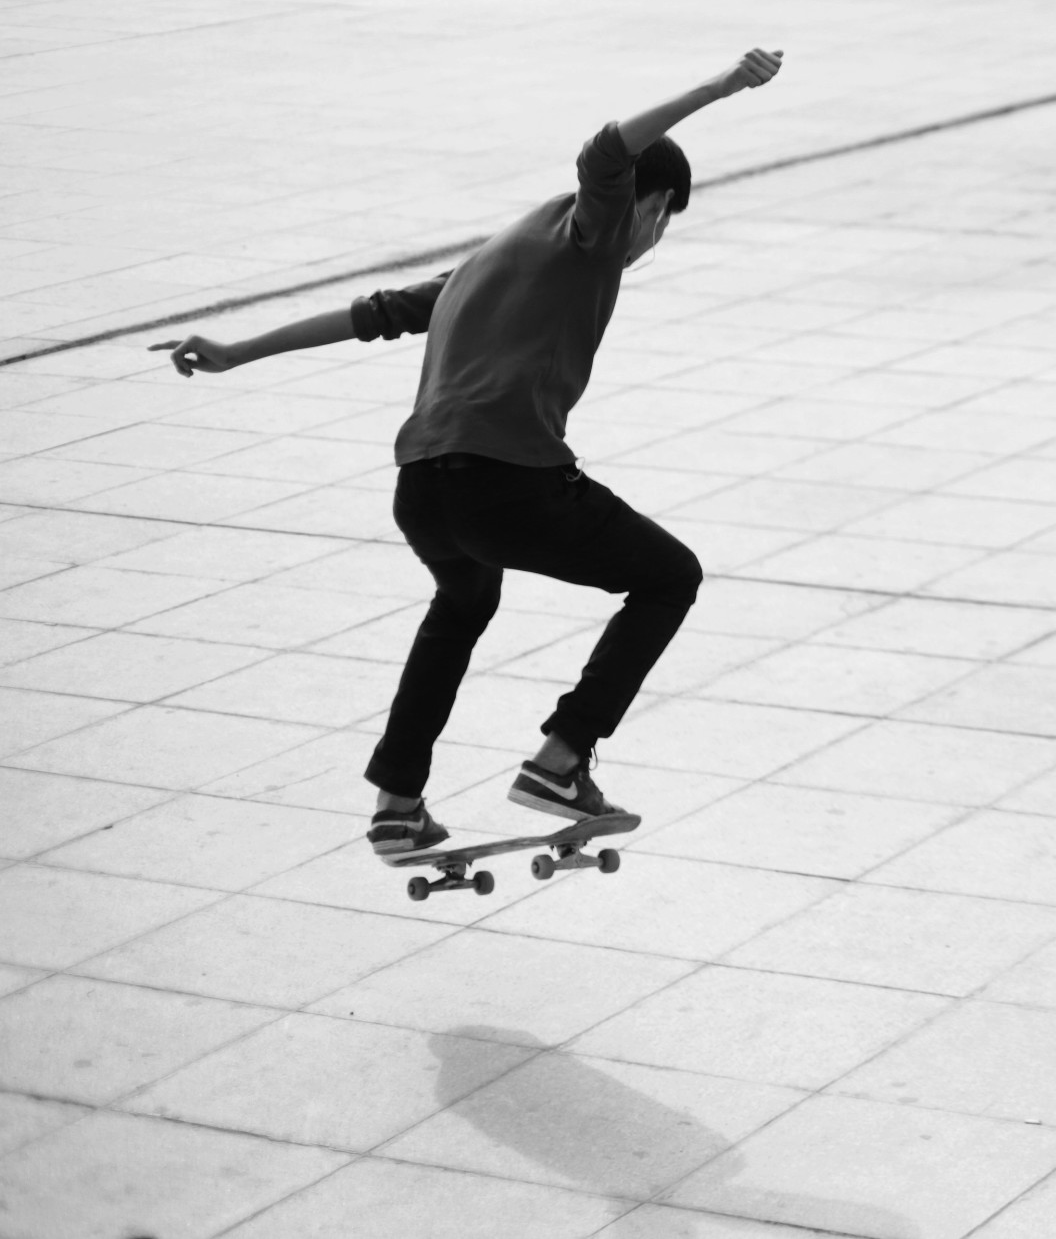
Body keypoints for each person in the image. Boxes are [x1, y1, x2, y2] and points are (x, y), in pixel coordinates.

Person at [151, 50, 785, 859]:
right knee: (669, 576)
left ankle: (396, 803)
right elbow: (606, 154)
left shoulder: (495, 256)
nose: (651, 243)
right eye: (662, 225)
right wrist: (719, 88)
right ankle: (561, 758)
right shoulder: (594, 231)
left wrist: (238, 350)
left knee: (462, 604)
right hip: (508, 482)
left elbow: (374, 314)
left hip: (424, 489)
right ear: (653, 204)